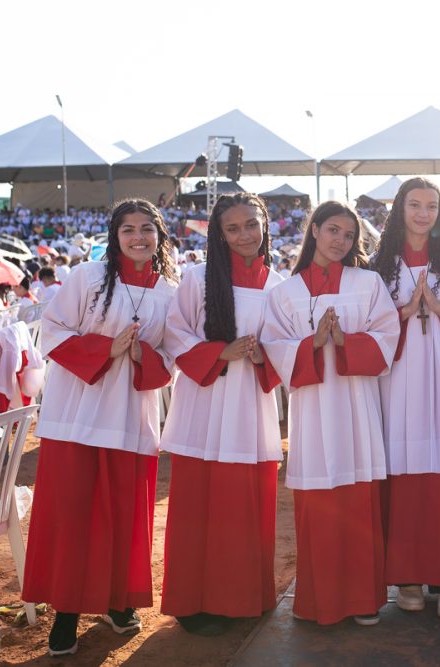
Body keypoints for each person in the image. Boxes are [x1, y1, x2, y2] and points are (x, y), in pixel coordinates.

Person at [23, 199, 178, 656]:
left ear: (159, 235)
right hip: (75, 416)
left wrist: (141, 354)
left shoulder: (170, 292)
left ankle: (117, 600)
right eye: (128, 229)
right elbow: (53, 329)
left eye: (147, 228)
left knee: (123, 515)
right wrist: (106, 349)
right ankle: (67, 611)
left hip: (129, 417)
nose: (138, 237)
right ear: (115, 236)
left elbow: (172, 359)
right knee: (73, 516)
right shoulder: (87, 277)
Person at [261, 201, 399, 626]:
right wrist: (313, 343)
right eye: (333, 230)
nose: (341, 240)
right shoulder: (284, 293)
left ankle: (363, 598)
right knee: (319, 503)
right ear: (315, 230)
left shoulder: (368, 283)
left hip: (358, 407)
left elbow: (388, 337)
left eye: (349, 235)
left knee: (359, 502)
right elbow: (275, 350)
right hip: (313, 411)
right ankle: (319, 600)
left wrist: (344, 341)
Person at [160, 194, 283, 635]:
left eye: (251, 224)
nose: (244, 235)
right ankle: (193, 602)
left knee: (244, 507)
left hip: (250, 405)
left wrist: (263, 355)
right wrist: (219, 352)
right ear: (219, 234)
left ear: (264, 224)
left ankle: (243, 598)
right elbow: (175, 334)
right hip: (204, 403)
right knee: (196, 509)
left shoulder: (279, 286)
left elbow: (286, 345)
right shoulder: (198, 279)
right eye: (233, 228)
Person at [369, 178, 440, 618]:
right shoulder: (379, 267)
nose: (422, 213)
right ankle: (409, 578)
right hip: (397, 379)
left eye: (431, 206)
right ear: (400, 209)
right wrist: (405, 312)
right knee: (403, 473)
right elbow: (367, 325)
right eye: (414, 204)